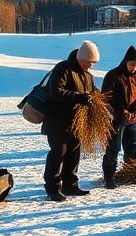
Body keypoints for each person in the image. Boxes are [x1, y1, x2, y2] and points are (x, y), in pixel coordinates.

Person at [41, 40, 100, 200]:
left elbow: (92, 91)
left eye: (93, 63)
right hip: (57, 121)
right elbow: (55, 92)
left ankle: (70, 185)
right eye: (88, 62)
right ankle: (52, 188)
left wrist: (97, 97)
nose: (90, 66)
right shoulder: (63, 68)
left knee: (73, 153)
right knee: (58, 153)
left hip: (76, 123)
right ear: (81, 58)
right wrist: (78, 97)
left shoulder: (87, 75)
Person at [101, 46, 136, 189]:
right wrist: (121, 112)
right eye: (132, 64)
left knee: (132, 148)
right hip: (116, 119)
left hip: (133, 119)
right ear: (125, 62)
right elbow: (105, 98)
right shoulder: (113, 75)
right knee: (113, 149)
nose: (134, 67)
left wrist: (135, 111)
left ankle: (130, 174)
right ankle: (109, 178)